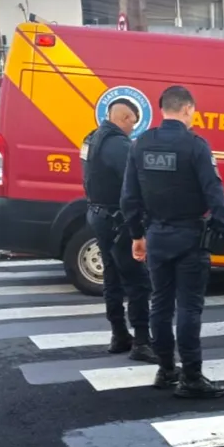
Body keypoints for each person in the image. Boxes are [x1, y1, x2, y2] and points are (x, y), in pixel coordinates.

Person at [120, 85, 224, 400]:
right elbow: (216, 196)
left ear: (163, 109)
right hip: (190, 237)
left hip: (157, 236)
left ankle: (165, 370)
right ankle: (191, 376)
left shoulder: (140, 144)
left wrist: (137, 236)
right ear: (187, 109)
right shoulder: (196, 146)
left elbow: (129, 198)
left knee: (160, 304)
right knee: (189, 307)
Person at [80, 99, 156, 362]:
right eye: (132, 122)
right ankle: (143, 342)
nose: (132, 129)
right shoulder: (119, 145)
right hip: (117, 220)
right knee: (137, 282)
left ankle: (119, 334)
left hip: (97, 215)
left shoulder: (91, 139)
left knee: (112, 279)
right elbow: (134, 186)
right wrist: (140, 224)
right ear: (123, 117)